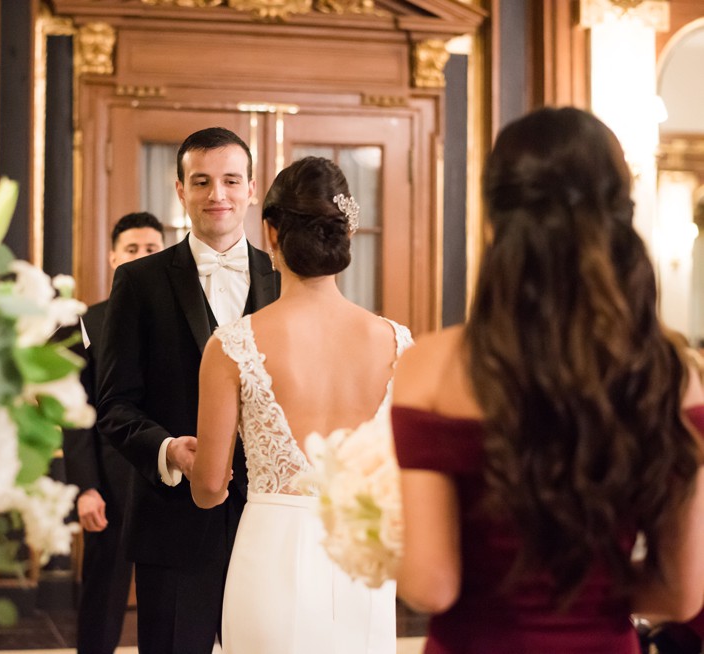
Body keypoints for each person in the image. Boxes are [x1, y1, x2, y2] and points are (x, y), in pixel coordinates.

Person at [390, 106, 704, 653]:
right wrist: (586, 595)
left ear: (493, 220)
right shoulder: (671, 378)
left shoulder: (433, 367)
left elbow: (432, 586)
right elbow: (680, 596)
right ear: (620, 213)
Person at [191, 156, 404, 653]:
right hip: (362, 560)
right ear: (345, 231)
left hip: (270, 554)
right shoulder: (396, 343)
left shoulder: (232, 344)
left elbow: (207, 487)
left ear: (269, 232)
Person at [96, 127, 280, 654]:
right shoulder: (138, 282)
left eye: (230, 180)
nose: (217, 194)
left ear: (250, 189)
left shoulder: (284, 278)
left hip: (266, 520)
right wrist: (168, 449)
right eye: (201, 181)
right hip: (173, 520)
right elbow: (114, 403)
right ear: (180, 190)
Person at [63, 211, 165, 654]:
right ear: (113, 257)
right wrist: (86, 487)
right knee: (103, 596)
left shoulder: (185, 317)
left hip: (171, 477)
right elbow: (74, 413)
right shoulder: (85, 323)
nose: (142, 257)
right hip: (109, 481)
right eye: (132, 249)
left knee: (169, 599)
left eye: (151, 250)